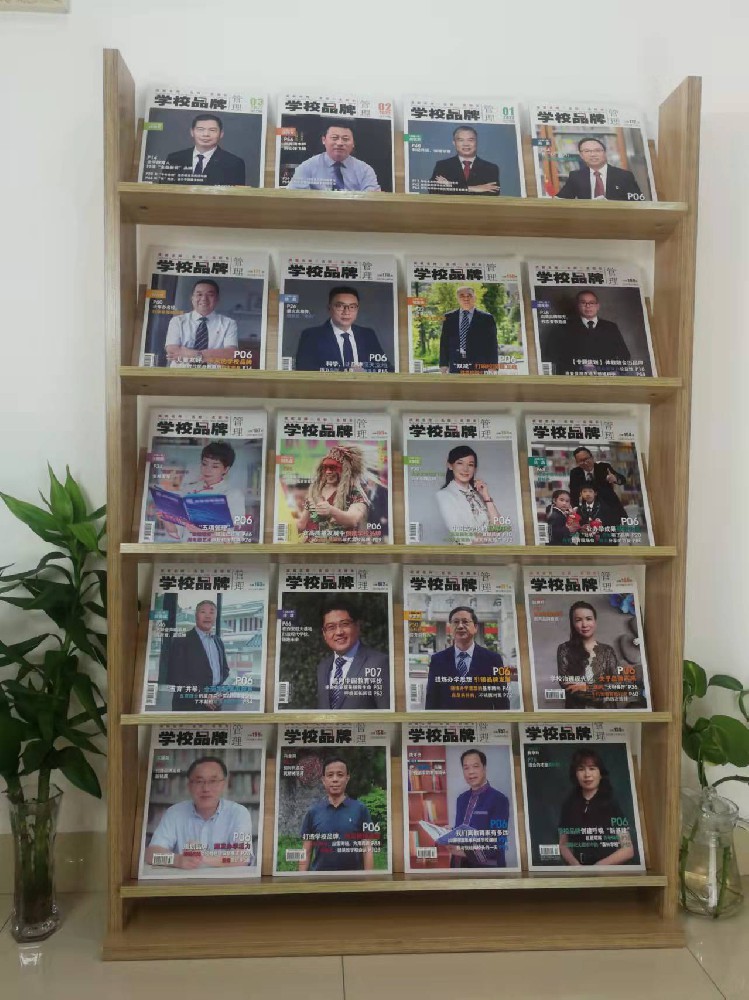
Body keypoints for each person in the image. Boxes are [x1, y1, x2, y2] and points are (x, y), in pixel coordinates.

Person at [144, 756, 254, 870]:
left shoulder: (239, 813)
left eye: (213, 781)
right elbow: (151, 855)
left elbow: (243, 858)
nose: (206, 788)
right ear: (189, 786)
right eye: (199, 781)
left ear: (224, 784)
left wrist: (201, 858)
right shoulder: (174, 813)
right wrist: (177, 860)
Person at [558, 748, 635, 866]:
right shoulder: (568, 804)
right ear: (575, 774)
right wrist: (577, 867)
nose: (587, 774)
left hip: (606, 870)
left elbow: (627, 849)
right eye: (581, 769)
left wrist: (598, 867)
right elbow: (563, 845)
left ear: (600, 773)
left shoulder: (611, 803)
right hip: (578, 870)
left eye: (592, 768)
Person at [298, 757, 375, 871]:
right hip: (320, 878)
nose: (335, 779)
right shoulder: (313, 812)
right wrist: (301, 878)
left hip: (354, 879)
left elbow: (367, 849)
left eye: (340, 775)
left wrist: (369, 879)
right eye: (330, 775)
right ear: (324, 780)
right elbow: (306, 851)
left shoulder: (360, 809)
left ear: (347, 778)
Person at [425, 606, 509, 710]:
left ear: (475, 627)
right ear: (450, 627)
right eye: (456, 622)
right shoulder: (437, 660)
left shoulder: (494, 659)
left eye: (465, 622)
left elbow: (502, 701)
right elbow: (431, 700)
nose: (460, 626)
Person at [159, 441, 246, 541]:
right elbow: (177, 534)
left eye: (215, 466)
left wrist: (204, 532)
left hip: (215, 550)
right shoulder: (188, 489)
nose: (207, 470)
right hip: (188, 548)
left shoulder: (233, 494)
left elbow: (237, 535)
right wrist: (166, 518)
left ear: (225, 469)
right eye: (204, 464)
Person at [294, 286, 390, 372]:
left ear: (357, 309)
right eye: (340, 306)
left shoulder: (368, 334)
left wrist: (365, 371)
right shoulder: (311, 335)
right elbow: (304, 368)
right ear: (329, 308)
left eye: (352, 307)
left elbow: (386, 368)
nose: (346, 312)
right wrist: (348, 370)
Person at [314, 601, 390, 710]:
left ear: (357, 626)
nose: (339, 632)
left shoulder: (379, 662)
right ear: (324, 634)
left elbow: (387, 712)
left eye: (345, 624)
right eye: (331, 627)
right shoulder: (322, 667)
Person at [544, 289, 631, 375]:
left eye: (591, 303)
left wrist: (614, 372)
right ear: (578, 306)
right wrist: (581, 367)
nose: (588, 306)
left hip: (607, 377)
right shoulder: (563, 328)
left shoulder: (611, 327)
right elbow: (551, 356)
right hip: (575, 377)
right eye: (583, 303)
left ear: (597, 306)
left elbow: (625, 355)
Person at [448, 749, 510, 868]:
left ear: (484, 768)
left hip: (486, 869)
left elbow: (497, 842)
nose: (471, 772)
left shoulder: (499, 799)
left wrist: (463, 851)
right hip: (458, 866)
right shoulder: (461, 799)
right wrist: (450, 833)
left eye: (475, 766)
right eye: (466, 768)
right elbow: (461, 832)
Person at [297, 446, 371, 543]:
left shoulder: (354, 492)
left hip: (340, 548)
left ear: (344, 470)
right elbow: (301, 524)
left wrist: (331, 511)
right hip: (312, 548)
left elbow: (353, 519)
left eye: (333, 468)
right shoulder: (315, 491)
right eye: (325, 468)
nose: (328, 472)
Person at [166, 601, 229, 711]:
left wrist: (219, 693)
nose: (208, 616)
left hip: (214, 704)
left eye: (212, 612)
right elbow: (176, 675)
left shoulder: (218, 641)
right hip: (189, 705)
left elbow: (225, 670)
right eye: (203, 612)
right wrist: (203, 696)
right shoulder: (181, 640)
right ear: (196, 616)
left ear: (216, 617)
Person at [435, 445, 504, 545]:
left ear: (475, 469)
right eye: (460, 463)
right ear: (450, 465)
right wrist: (493, 536)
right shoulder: (444, 495)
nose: (465, 469)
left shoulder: (479, 494)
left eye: (470, 465)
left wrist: (486, 497)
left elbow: (500, 527)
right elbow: (463, 538)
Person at [555, 601, 619, 709]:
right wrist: (601, 691)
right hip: (577, 712)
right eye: (578, 620)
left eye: (588, 619)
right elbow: (568, 686)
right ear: (572, 624)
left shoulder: (607, 651)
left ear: (595, 621)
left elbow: (617, 685)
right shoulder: (564, 649)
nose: (584, 624)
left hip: (606, 711)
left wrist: (588, 688)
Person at [285, 122, 380, 191]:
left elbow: (373, 201)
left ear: (353, 143)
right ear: (324, 140)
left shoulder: (365, 170)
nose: (339, 143)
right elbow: (295, 197)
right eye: (334, 138)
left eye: (345, 139)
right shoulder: (307, 167)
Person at [164, 279, 238, 366]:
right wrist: (213, 355)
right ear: (192, 298)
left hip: (214, 374)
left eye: (210, 295)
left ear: (217, 299)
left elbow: (230, 355)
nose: (204, 299)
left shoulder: (229, 323)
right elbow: (172, 351)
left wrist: (195, 355)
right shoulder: (177, 321)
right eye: (199, 294)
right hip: (180, 373)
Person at [158, 113, 246, 186]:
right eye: (200, 129)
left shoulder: (234, 163)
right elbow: (163, 191)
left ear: (221, 134)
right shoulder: (174, 159)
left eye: (212, 130)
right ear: (192, 132)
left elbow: (236, 197)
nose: (206, 134)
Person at [555, 136, 642, 201]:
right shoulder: (576, 176)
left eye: (597, 150)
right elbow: (561, 200)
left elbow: (637, 202)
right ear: (581, 155)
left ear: (605, 153)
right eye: (587, 151)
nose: (593, 154)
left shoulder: (625, 176)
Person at [439, 287, 499, 373]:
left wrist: (493, 366)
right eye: (462, 296)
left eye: (469, 295)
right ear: (457, 298)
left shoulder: (486, 318)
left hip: (479, 366)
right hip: (455, 365)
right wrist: (443, 364)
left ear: (475, 297)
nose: (466, 298)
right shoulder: (448, 318)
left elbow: (492, 344)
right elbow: (444, 343)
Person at [429, 126, 500, 195]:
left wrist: (451, 186)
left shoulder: (491, 168)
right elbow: (434, 190)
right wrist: (472, 188)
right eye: (461, 140)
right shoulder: (442, 166)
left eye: (470, 140)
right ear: (454, 143)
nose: (466, 144)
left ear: (476, 142)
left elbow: (493, 193)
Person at [568, 446, 628, 528]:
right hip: (590, 511)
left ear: (592, 457)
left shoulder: (604, 467)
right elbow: (573, 493)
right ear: (577, 462)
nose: (585, 462)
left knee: (613, 534)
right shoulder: (575, 473)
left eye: (586, 459)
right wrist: (575, 509)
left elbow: (623, 479)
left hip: (610, 508)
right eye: (581, 461)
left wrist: (615, 478)